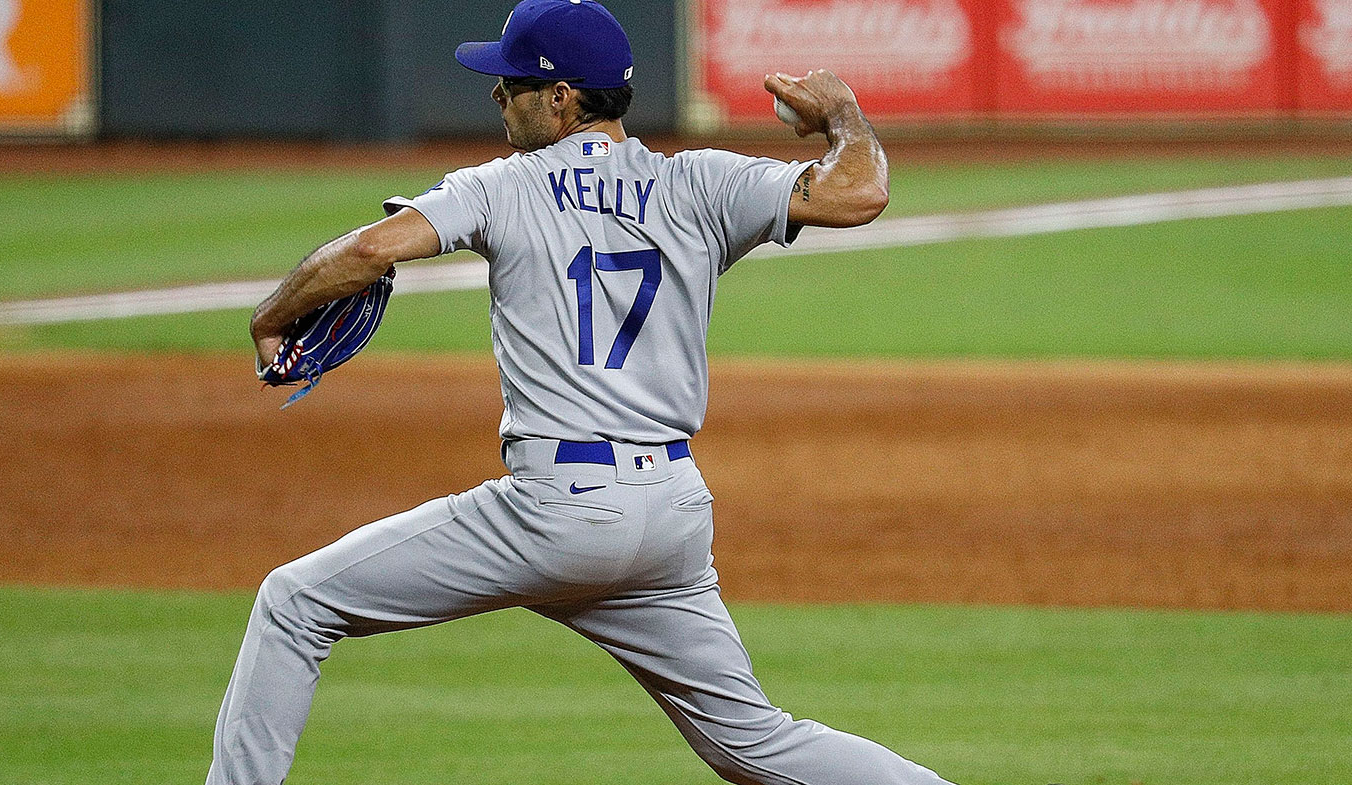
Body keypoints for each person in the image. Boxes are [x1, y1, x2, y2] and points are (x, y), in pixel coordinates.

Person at [210, 1, 954, 783]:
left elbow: (368, 249)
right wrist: (841, 112)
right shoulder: (700, 181)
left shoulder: (502, 186)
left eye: (513, 84)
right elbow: (858, 192)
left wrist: (272, 315)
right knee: (752, 741)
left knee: (294, 604)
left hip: (555, 512)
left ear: (562, 98)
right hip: (670, 515)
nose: (497, 95)